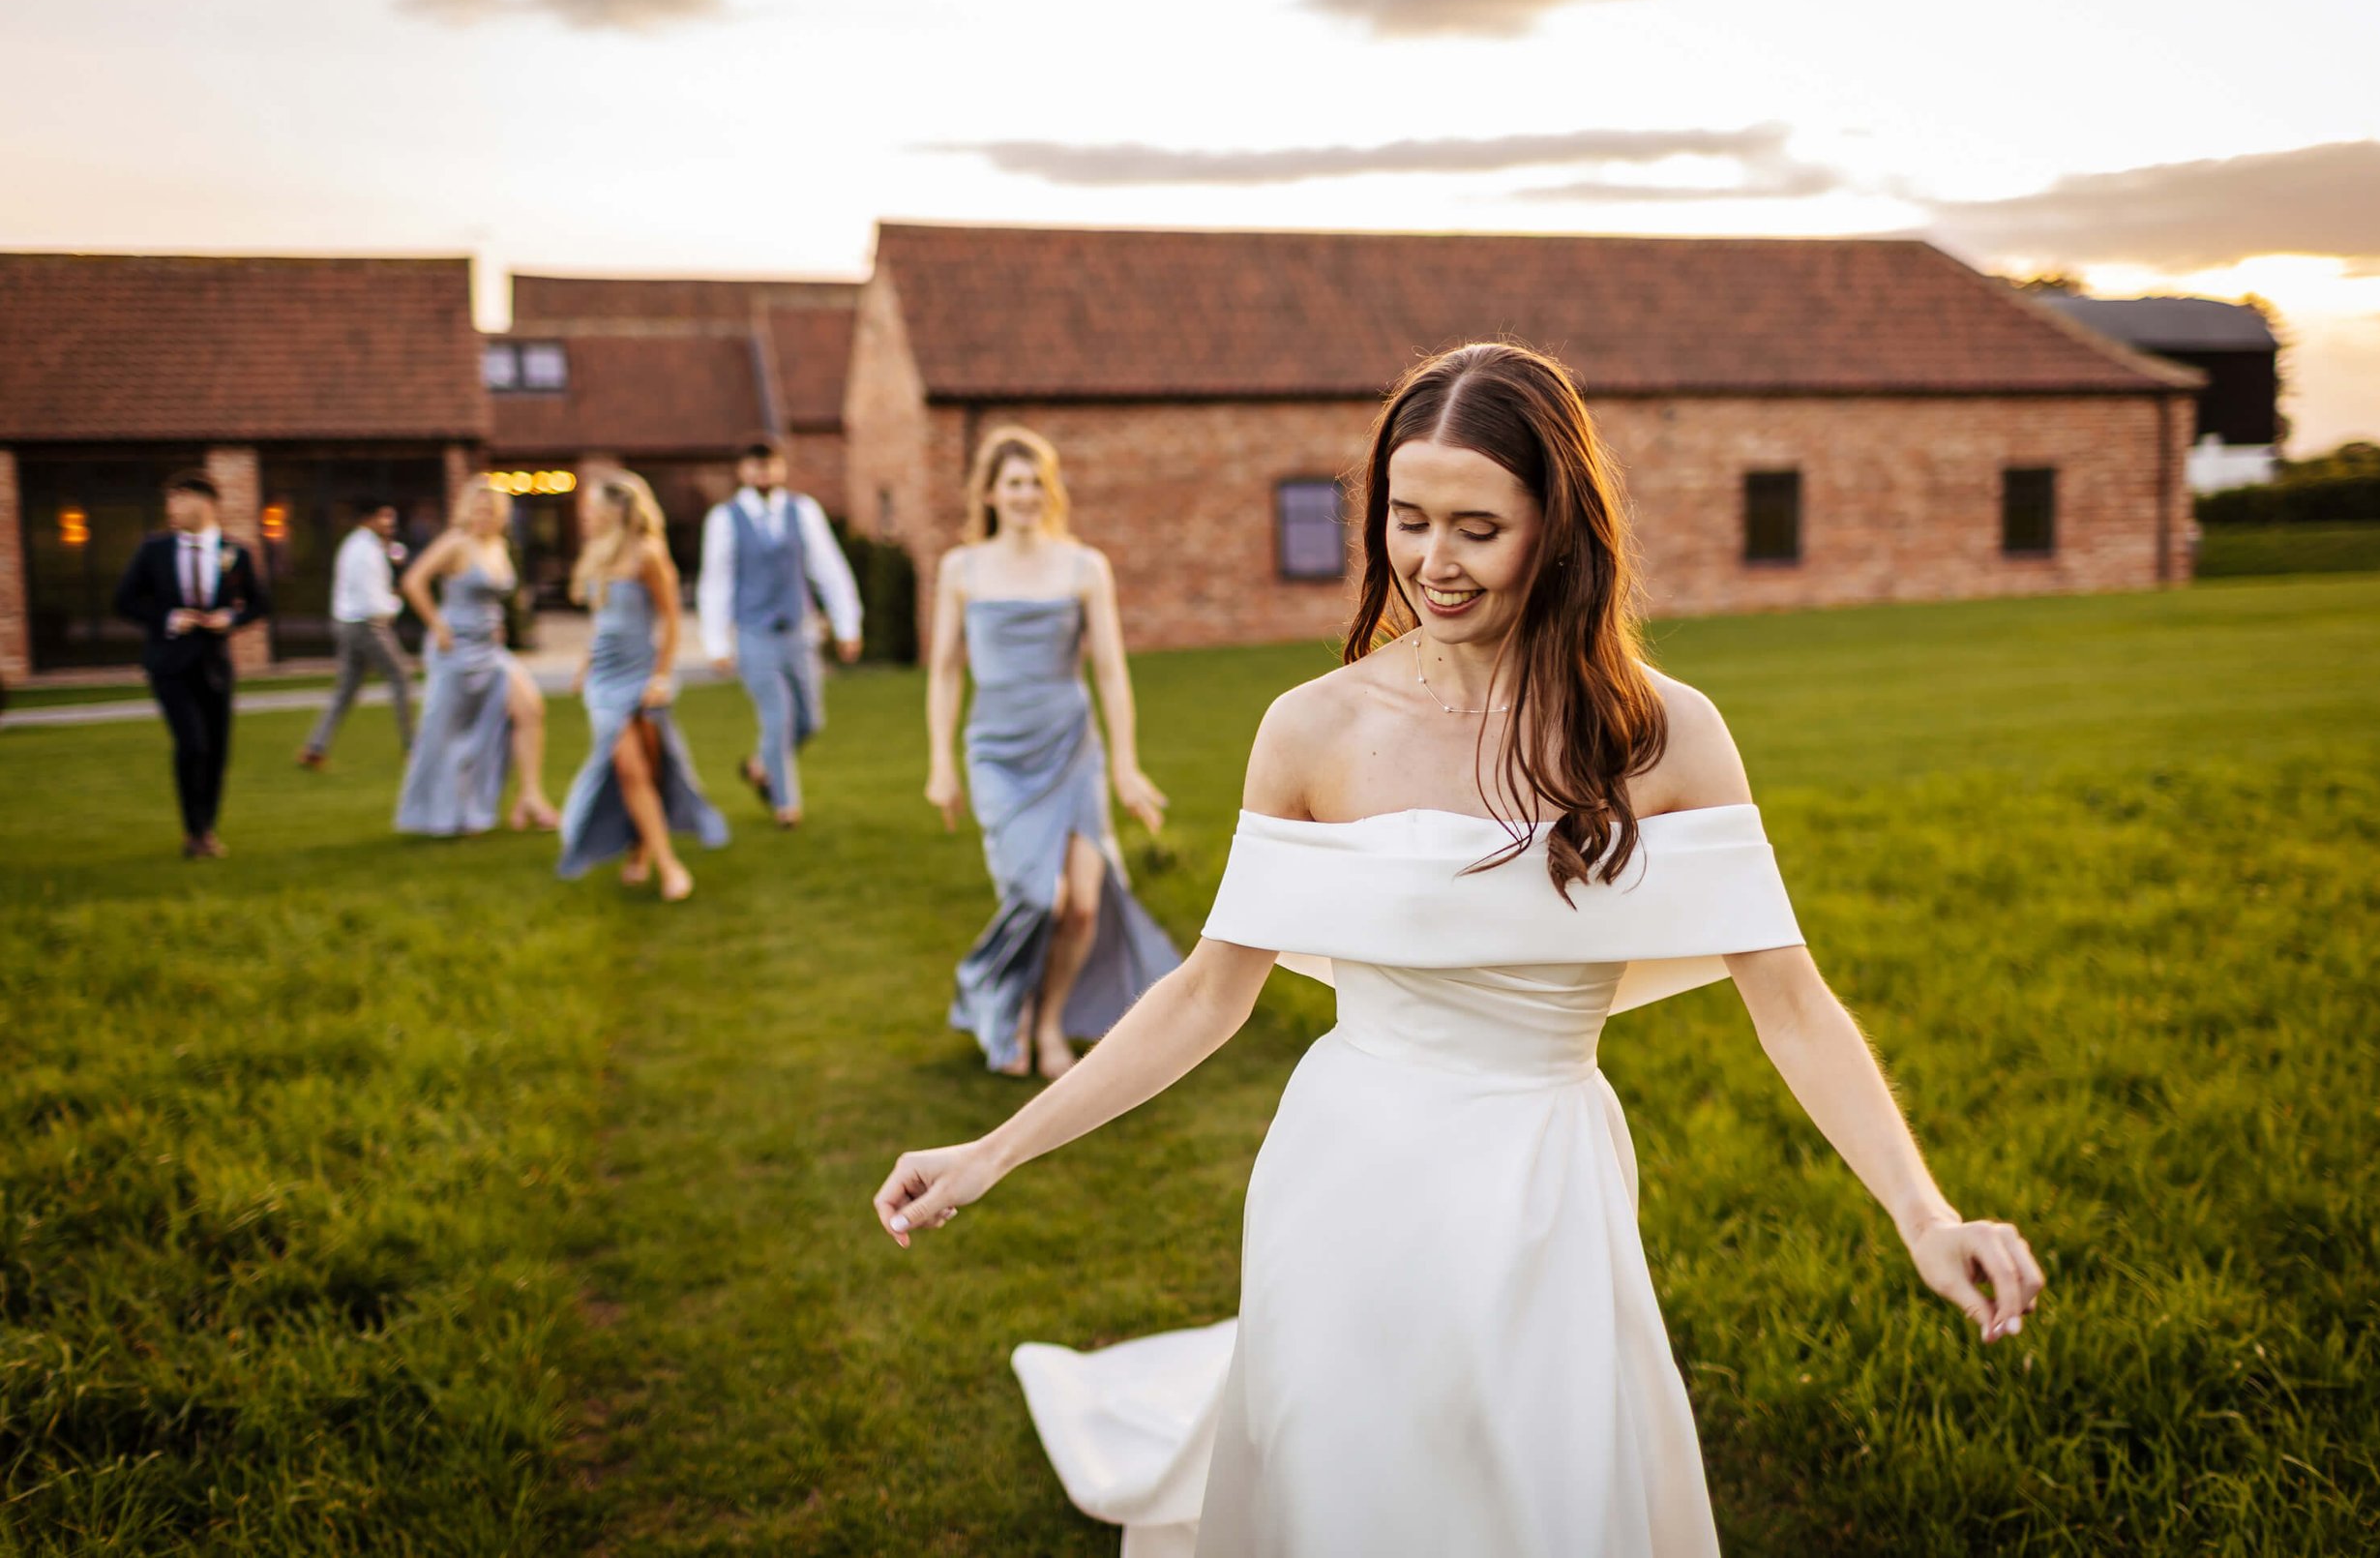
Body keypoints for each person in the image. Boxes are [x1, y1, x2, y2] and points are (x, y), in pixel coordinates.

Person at [876, 345, 2046, 1555]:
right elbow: (1206, 993)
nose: (1434, 561)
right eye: (1407, 517)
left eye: (1478, 527)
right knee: (1345, 1479)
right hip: (1344, 1169)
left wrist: (1922, 1212)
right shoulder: (1312, 729)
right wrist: (992, 1150)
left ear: (1559, 527)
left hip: (1547, 1180)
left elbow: (1791, 1003)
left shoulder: (1666, 736)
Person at [923, 427, 1180, 1080]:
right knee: (1039, 896)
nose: (1026, 494)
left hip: (1073, 748)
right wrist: (941, 763)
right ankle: (990, 993)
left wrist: (1123, 764)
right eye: (1013, 482)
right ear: (989, 492)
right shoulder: (962, 567)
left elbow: (1112, 672)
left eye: (1037, 481)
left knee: (1084, 903)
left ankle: (1046, 1024)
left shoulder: (1083, 566)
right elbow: (946, 672)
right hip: (998, 754)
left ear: (1051, 490)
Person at [556, 468, 728, 901]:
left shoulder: (648, 554)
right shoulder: (597, 554)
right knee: (629, 768)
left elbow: (670, 620)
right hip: (604, 680)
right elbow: (604, 622)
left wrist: (662, 676)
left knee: (647, 771)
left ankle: (641, 850)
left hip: (641, 676)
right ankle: (669, 866)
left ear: (618, 510)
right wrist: (585, 663)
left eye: (593, 508)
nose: (587, 517)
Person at [696, 437, 865, 827]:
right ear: (743, 471)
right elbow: (715, 582)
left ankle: (759, 764)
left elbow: (829, 569)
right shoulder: (725, 519)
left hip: (799, 631)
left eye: (769, 465)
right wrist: (717, 643)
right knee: (778, 717)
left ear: (781, 469)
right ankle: (785, 805)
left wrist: (847, 625)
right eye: (755, 466)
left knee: (810, 721)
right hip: (755, 633)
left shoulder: (802, 512)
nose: (763, 473)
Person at [111, 469, 267, 858]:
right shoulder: (154, 550)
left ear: (205, 502)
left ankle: (206, 830)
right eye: (169, 501)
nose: (172, 509)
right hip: (169, 662)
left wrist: (229, 620)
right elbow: (124, 601)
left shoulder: (236, 553)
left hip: (215, 664)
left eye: (179, 499)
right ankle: (193, 829)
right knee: (192, 743)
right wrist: (167, 618)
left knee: (216, 749)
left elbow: (261, 604)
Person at [394, 482, 558, 836]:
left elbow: (496, 596)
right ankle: (444, 814)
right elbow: (413, 581)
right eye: (478, 509)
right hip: (455, 651)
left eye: (491, 510)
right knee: (449, 734)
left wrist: (499, 625)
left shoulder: (498, 546)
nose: (484, 515)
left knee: (530, 709)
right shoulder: (456, 543)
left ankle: (530, 796)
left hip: (490, 649)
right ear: (467, 510)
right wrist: (437, 624)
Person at [297, 499, 414, 769]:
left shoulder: (361, 546)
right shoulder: (364, 550)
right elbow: (373, 601)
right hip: (366, 625)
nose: (390, 524)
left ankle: (315, 747)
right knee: (401, 676)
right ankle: (412, 747)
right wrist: (396, 602)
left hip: (349, 622)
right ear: (370, 518)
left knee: (346, 689)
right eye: (385, 518)